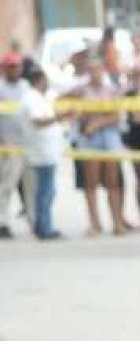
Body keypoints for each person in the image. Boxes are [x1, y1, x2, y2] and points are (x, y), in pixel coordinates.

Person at [74, 54, 131, 235]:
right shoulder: (81, 91)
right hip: (89, 138)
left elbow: (116, 115)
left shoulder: (111, 90)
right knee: (90, 182)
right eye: (90, 70)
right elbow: (75, 112)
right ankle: (95, 223)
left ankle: (117, 222)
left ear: (103, 70)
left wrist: (97, 123)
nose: (94, 73)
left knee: (113, 182)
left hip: (109, 136)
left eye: (97, 69)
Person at [20, 63, 64, 240]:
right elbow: (37, 121)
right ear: (40, 79)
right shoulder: (31, 98)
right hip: (41, 152)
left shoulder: (40, 97)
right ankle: (43, 228)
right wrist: (59, 118)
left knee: (47, 190)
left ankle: (43, 225)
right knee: (44, 192)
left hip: (47, 151)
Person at [0, 52, 25, 238]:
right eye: (10, 66)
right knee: (6, 185)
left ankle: (37, 221)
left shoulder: (25, 87)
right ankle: (3, 222)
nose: (14, 69)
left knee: (31, 186)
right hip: (6, 143)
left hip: (26, 143)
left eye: (16, 66)